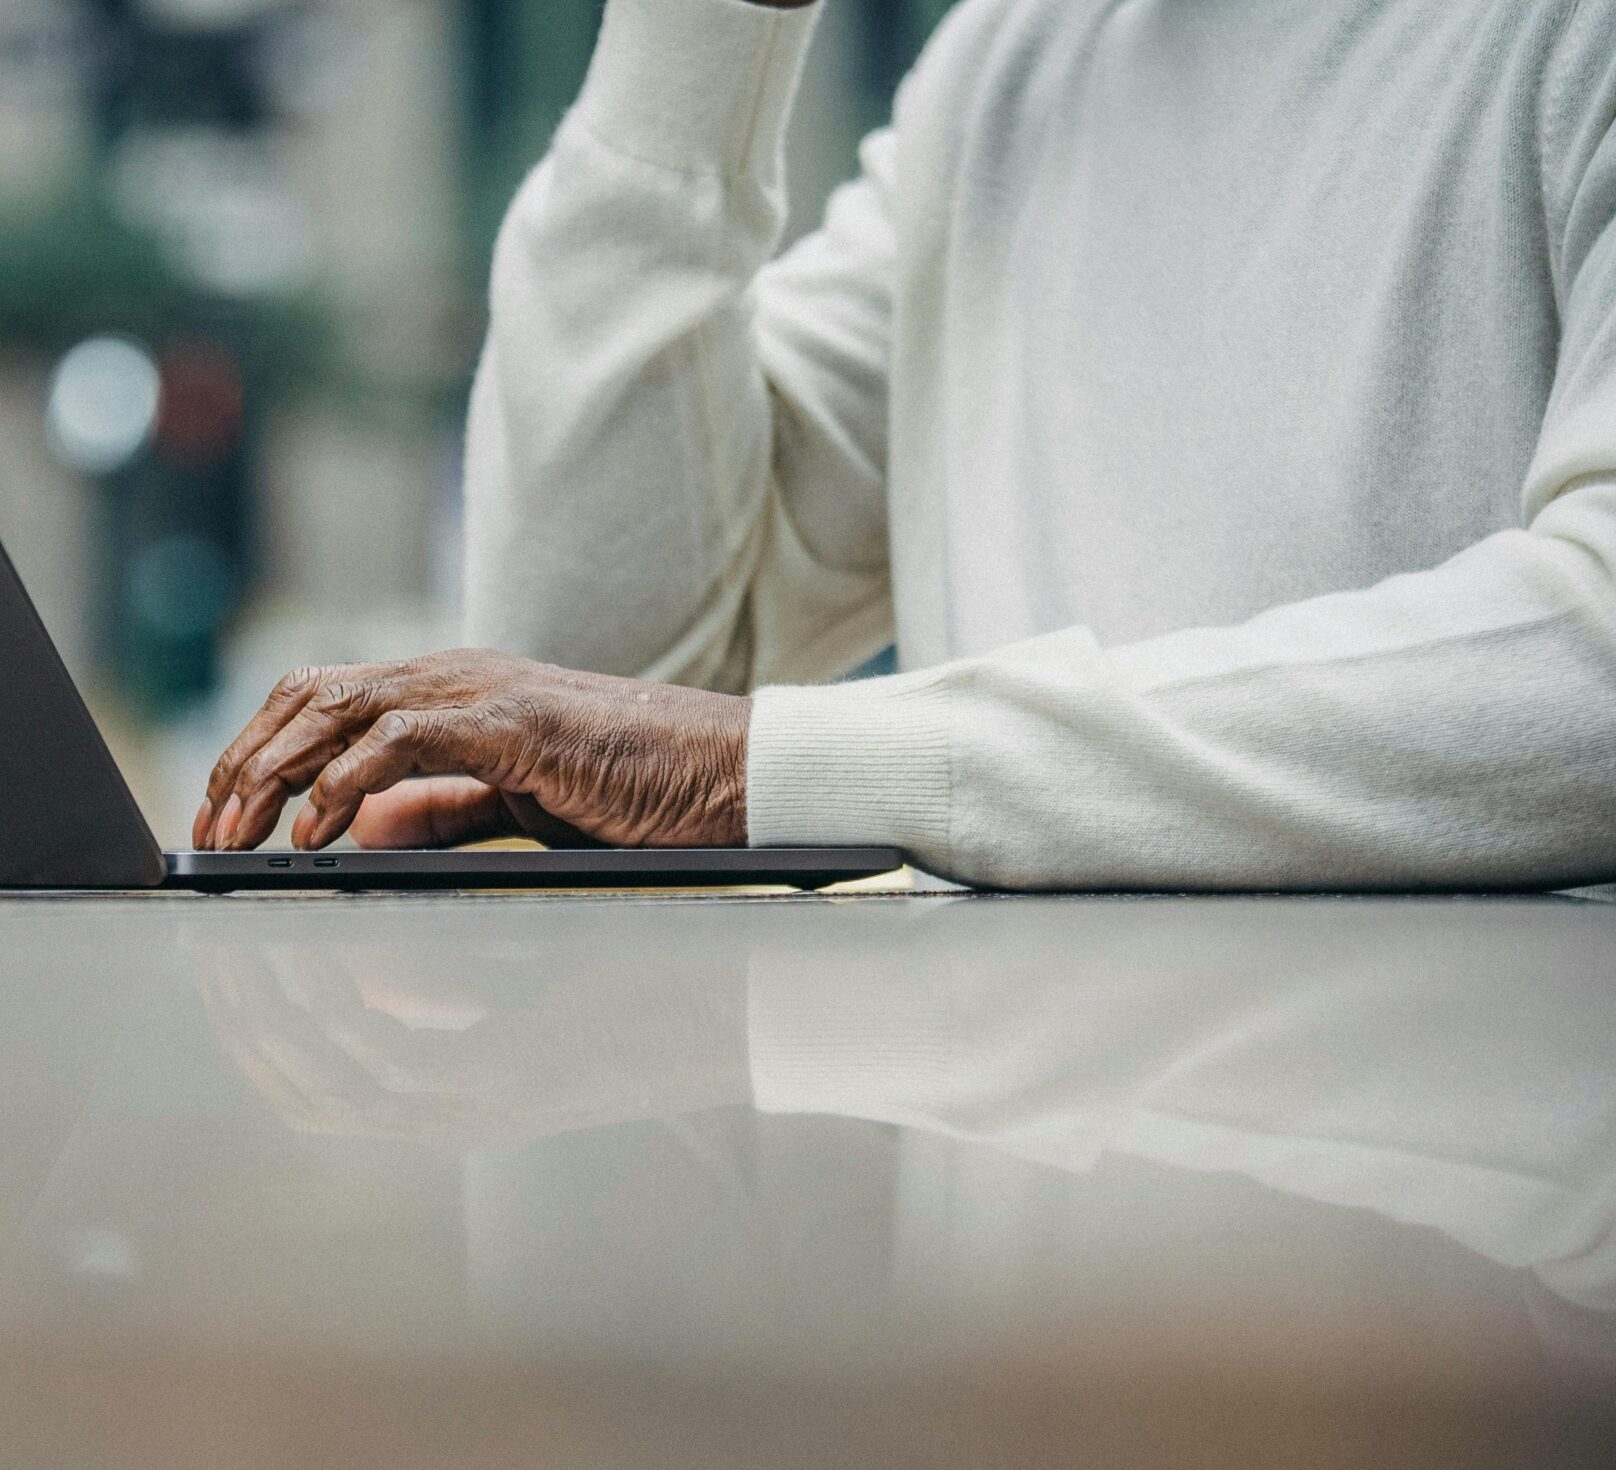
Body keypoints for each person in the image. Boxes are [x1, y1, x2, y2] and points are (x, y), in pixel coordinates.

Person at [192, 0, 1616, 889]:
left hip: (1469, 1309)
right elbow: (604, 669)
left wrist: (770, 770)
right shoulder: (1013, 59)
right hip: (1004, 1294)